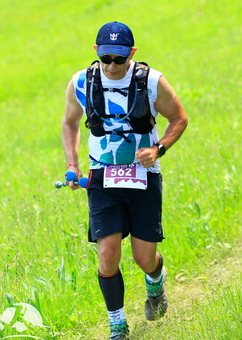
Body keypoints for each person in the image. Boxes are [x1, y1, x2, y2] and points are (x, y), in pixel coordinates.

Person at [61, 21, 188, 340]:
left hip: (143, 177)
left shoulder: (151, 81)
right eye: (105, 58)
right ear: (96, 52)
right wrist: (72, 164)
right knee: (107, 254)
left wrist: (158, 149)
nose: (112, 66)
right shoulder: (81, 82)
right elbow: (70, 123)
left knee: (144, 258)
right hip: (102, 177)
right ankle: (117, 323)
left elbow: (179, 118)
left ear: (132, 53)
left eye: (119, 59)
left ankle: (156, 283)